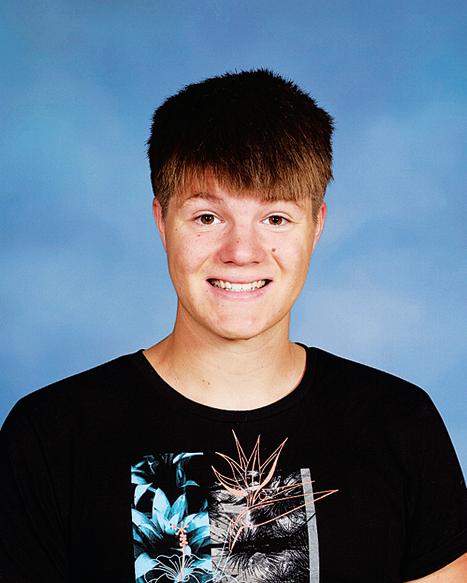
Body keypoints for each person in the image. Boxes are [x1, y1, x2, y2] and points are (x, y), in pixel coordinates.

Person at [1, 69, 465, 583]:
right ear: (161, 221)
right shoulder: (50, 438)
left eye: (275, 219)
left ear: (317, 225)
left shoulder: (399, 425)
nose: (241, 252)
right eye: (207, 217)